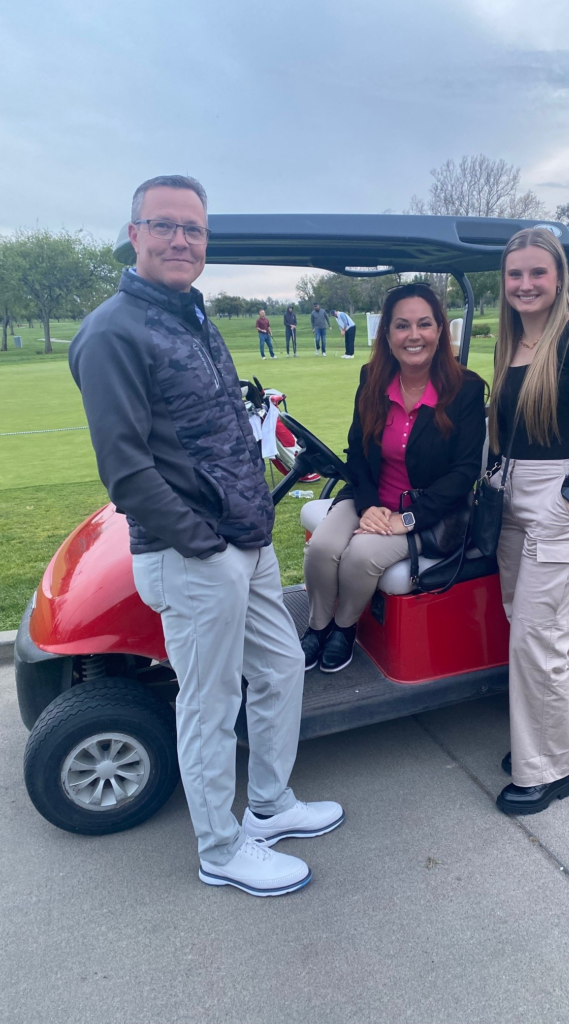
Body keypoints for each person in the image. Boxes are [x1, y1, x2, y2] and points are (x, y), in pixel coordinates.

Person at [69, 175, 343, 898]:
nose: (181, 240)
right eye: (164, 226)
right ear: (135, 234)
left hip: (243, 543)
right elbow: (126, 471)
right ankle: (221, 849)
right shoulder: (112, 332)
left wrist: (242, 531)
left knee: (282, 668)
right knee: (210, 702)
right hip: (193, 553)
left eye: (193, 229)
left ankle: (270, 806)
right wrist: (202, 541)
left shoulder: (191, 314)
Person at [488, 227, 569, 816]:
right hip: (510, 495)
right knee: (528, 626)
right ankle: (549, 737)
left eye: (537, 272)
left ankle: (547, 771)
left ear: (559, 276)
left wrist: (564, 498)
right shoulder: (510, 341)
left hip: (561, 497)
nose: (525, 284)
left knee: (539, 638)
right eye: (515, 274)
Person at [301, 283, 486, 673]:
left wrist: (407, 519)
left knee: (361, 556)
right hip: (370, 498)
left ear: (440, 330)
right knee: (322, 549)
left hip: (430, 510)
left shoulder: (466, 390)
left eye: (424, 324)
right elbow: (357, 452)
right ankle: (318, 626)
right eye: (402, 326)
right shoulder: (372, 378)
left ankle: (344, 627)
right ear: (387, 335)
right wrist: (368, 508)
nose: (413, 335)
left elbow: (464, 472)